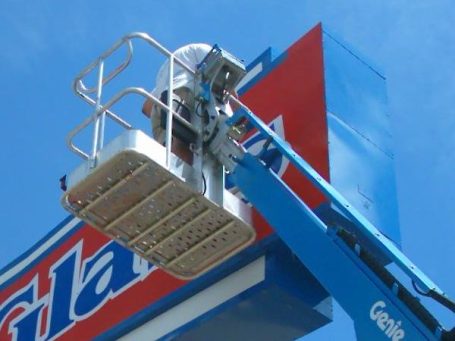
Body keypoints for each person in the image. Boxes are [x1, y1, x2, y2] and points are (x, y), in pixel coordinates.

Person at [142, 43, 212, 163]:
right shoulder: (205, 50)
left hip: (162, 105)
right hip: (181, 95)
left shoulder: (168, 70)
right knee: (182, 144)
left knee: (170, 156)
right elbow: (228, 89)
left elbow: (146, 108)